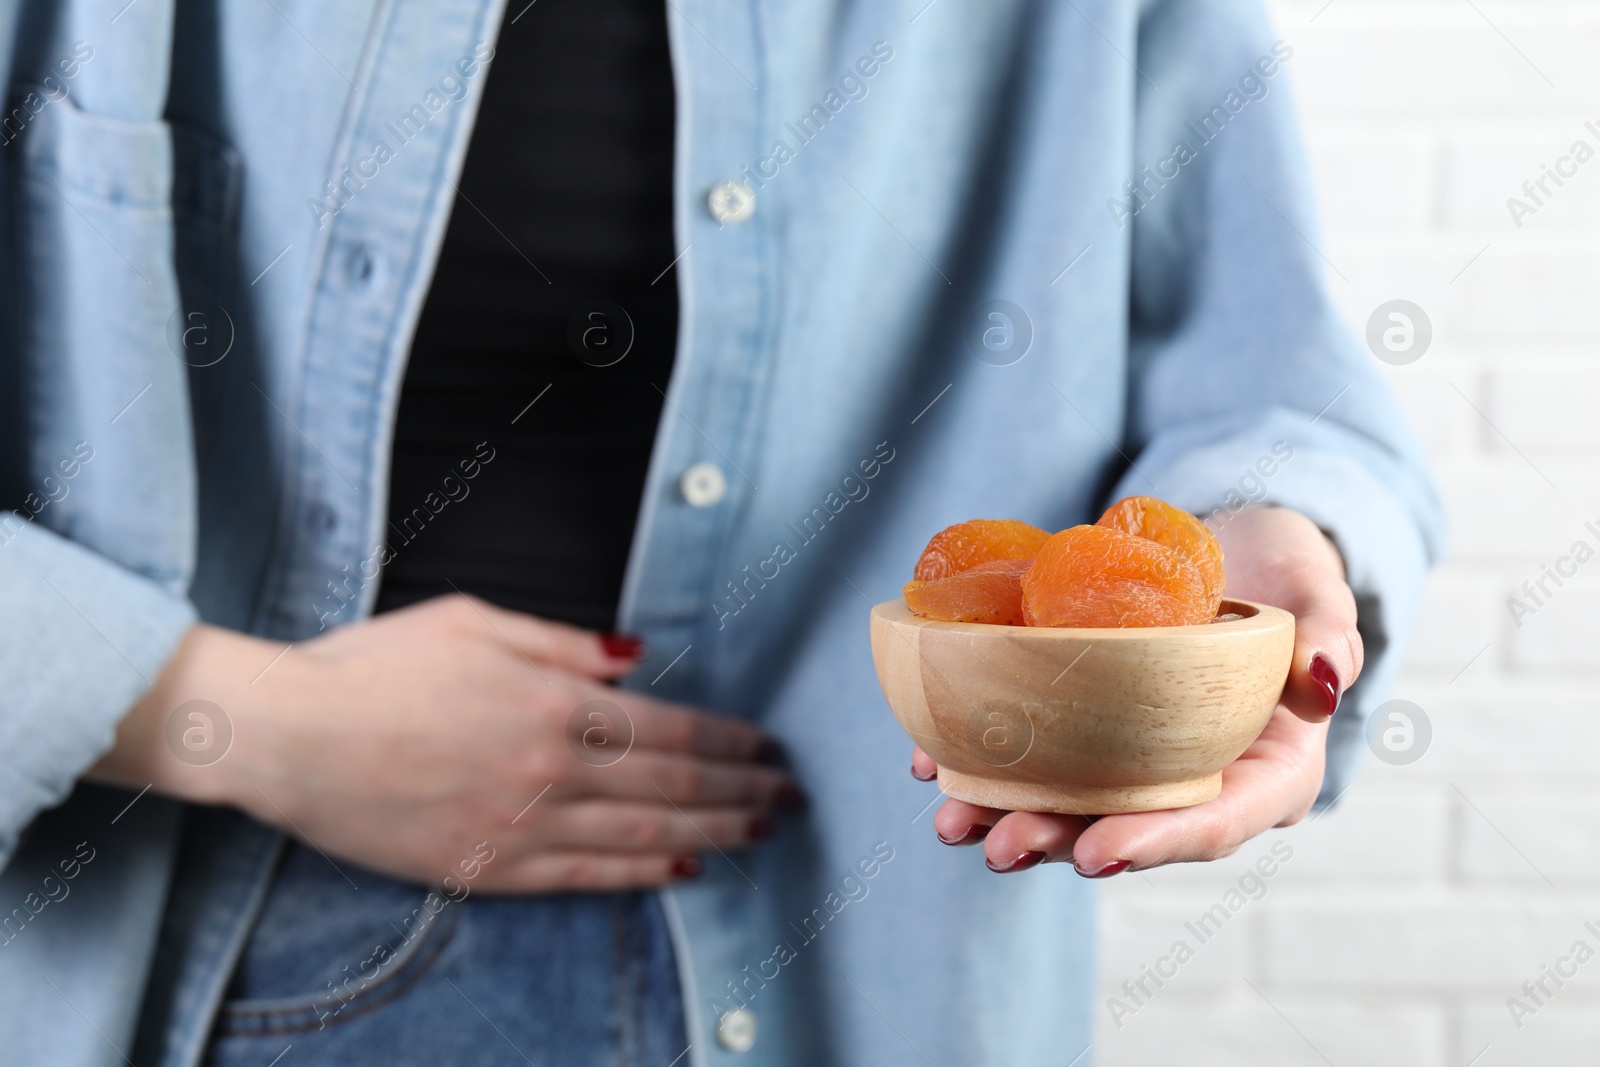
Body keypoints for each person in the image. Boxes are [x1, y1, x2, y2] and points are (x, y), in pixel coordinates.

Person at [0, 0, 1443, 1063]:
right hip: (233, 964)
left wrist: (1272, 541)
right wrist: (241, 718)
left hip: (869, 985)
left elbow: (1268, 375)